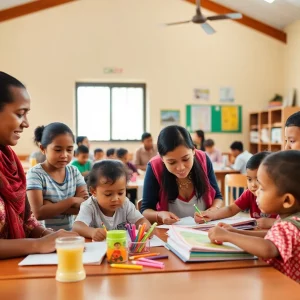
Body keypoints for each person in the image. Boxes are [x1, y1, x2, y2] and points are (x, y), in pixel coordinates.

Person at [0, 71, 77, 259]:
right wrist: (37, 244)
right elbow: (39, 211)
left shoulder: (9, 160)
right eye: (20, 114)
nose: (26, 123)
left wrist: (49, 236)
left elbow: (28, 221)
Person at [208, 150, 300, 283]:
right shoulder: (290, 218)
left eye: (262, 188)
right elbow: (270, 236)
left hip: (288, 289)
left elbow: (268, 247)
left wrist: (228, 236)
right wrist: (235, 231)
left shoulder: (289, 224)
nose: (256, 191)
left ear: (287, 201)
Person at [141, 125, 222, 225]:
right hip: (170, 234)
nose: (181, 168)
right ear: (162, 158)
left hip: (204, 229)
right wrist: (160, 215)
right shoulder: (155, 166)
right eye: (172, 162)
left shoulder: (203, 159)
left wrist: (213, 210)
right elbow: (145, 210)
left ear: (193, 150)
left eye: (185, 159)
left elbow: (217, 197)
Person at [26, 122, 89, 231]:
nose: (64, 155)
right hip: (44, 238)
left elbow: (85, 207)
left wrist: (51, 206)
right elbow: (39, 213)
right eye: (58, 150)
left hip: (70, 235)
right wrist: (72, 201)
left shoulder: (74, 172)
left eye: (69, 150)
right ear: (43, 148)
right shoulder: (35, 174)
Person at [73, 160, 151, 241]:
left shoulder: (125, 204)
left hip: (122, 248)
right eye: (108, 194)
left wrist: (146, 227)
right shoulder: (89, 206)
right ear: (93, 191)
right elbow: (77, 226)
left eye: (120, 193)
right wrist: (92, 232)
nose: (115, 199)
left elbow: (140, 220)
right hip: (99, 250)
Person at [195, 152, 277, 229]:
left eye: (258, 179)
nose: (253, 185)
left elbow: (289, 222)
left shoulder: (280, 196)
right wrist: (212, 215)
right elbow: (231, 209)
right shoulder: (249, 193)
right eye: (249, 179)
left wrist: (273, 222)